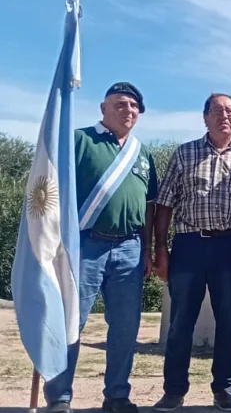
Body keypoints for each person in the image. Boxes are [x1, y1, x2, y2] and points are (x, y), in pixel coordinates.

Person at [150, 93, 231, 412]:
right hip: (189, 246)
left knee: (230, 322)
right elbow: (164, 204)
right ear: (205, 117)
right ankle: (174, 390)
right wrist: (160, 248)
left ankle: (225, 389)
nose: (223, 116)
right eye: (216, 110)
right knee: (180, 323)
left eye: (230, 111)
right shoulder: (184, 153)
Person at [44, 82, 158, 413]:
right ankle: (60, 396)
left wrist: (148, 249)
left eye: (134, 106)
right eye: (120, 104)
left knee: (125, 326)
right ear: (103, 108)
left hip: (130, 248)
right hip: (84, 245)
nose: (128, 110)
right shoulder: (79, 140)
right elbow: (52, 188)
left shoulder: (142, 153)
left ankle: (117, 395)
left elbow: (150, 206)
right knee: (71, 322)